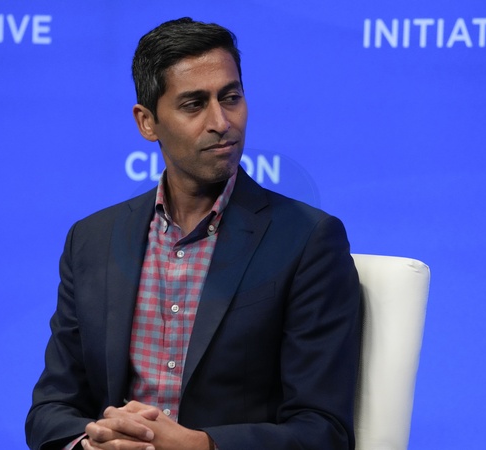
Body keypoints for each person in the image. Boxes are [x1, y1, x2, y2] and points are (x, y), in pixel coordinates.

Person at [26, 17, 361, 450]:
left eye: (231, 98)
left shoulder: (308, 240)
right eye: (194, 104)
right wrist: (91, 445)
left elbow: (324, 431)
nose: (221, 121)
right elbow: (51, 409)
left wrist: (200, 446)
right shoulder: (92, 240)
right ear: (147, 122)